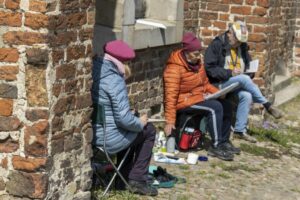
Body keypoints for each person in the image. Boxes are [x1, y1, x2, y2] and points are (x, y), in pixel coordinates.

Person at [91, 40, 157, 196]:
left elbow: (110, 110)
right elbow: (123, 120)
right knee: (149, 130)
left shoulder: (96, 70)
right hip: (107, 139)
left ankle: (122, 179)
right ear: (123, 62)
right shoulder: (114, 79)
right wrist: (139, 122)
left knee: (132, 128)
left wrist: (130, 115)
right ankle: (137, 180)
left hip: (95, 134)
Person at [163, 32, 239, 161]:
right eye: (196, 53)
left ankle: (224, 141)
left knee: (226, 105)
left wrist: (217, 93)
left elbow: (205, 84)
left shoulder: (198, 64)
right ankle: (216, 146)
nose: (199, 56)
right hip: (183, 102)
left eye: (199, 52)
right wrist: (170, 121)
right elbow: (170, 97)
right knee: (214, 107)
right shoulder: (174, 69)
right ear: (186, 52)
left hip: (198, 97)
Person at [204, 21, 283, 143]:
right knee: (244, 79)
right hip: (218, 84)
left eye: (241, 41)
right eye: (238, 40)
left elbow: (248, 67)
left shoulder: (242, 47)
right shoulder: (217, 44)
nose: (239, 44)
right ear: (230, 33)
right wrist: (230, 73)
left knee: (247, 95)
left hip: (235, 83)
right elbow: (209, 68)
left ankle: (239, 131)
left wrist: (248, 72)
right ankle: (267, 105)